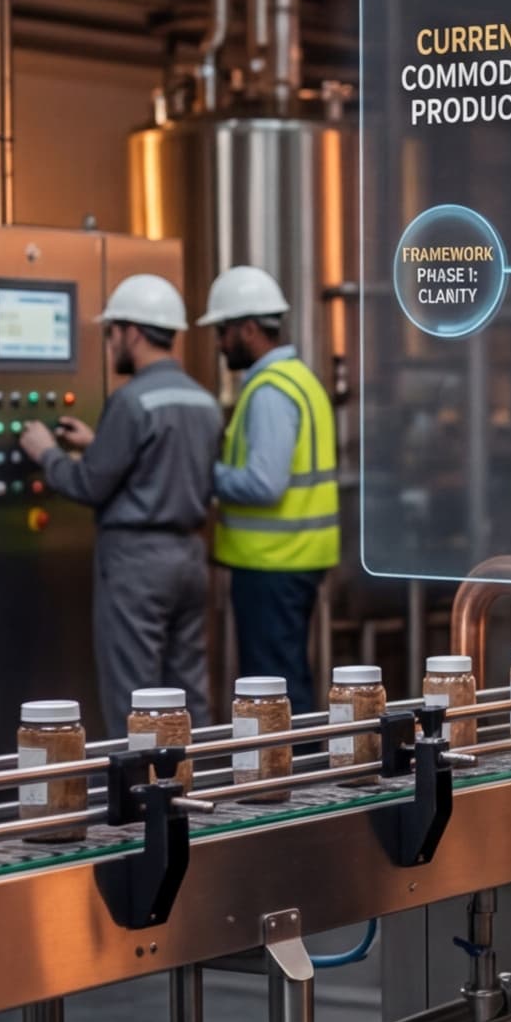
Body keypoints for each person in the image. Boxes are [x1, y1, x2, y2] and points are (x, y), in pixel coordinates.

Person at [18, 274, 221, 736]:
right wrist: (99, 443)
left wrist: (45, 451)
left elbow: (90, 484)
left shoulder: (130, 401)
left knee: (136, 696)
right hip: (189, 559)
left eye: (111, 334)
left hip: (137, 567)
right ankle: (202, 788)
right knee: (188, 692)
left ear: (131, 332)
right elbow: (165, 464)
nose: (110, 347)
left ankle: (138, 801)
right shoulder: (203, 400)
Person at [202, 264, 341, 712]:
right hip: (294, 559)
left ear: (247, 329)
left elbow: (264, 484)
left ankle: (292, 777)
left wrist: (205, 476)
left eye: (223, 331)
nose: (220, 343)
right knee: (285, 678)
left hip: (272, 565)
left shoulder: (269, 391)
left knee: (271, 688)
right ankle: (296, 773)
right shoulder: (300, 380)